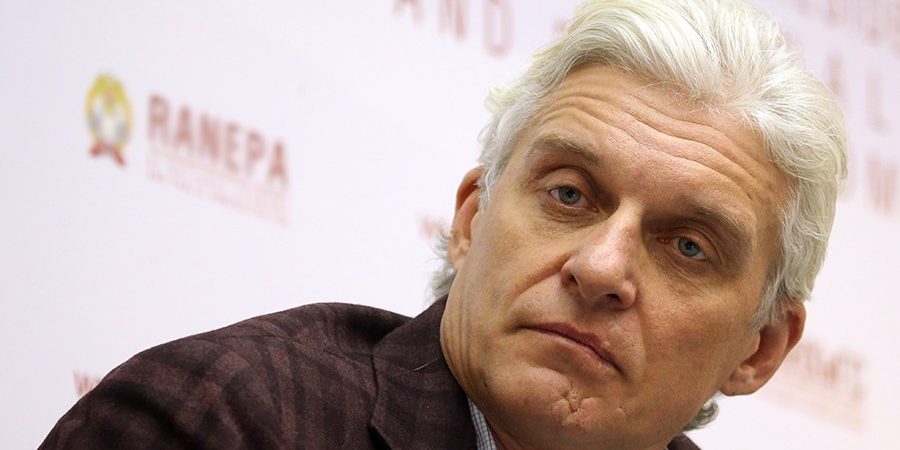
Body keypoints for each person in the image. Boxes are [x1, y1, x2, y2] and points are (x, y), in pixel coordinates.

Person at [40, 0, 846, 449]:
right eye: (570, 195)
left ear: (760, 349)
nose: (601, 267)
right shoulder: (223, 422)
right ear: (471, 220)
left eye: (689, 247)